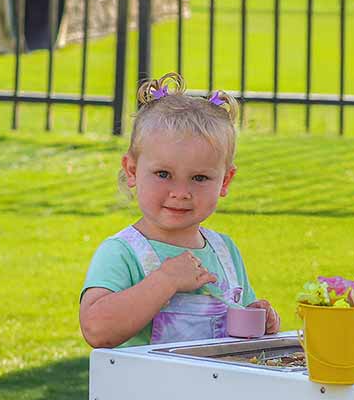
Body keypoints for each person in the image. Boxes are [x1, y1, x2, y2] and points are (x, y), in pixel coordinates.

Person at [79, 72, 280, 348]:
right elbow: (96, 329)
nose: (181, 192)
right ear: (132, 171)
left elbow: (238, 340)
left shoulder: (225, 251)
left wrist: (261, 318)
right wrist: (166, 280)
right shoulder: (123, 252)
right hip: (144, 391)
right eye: (163, 174)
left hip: (214, 390)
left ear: (225, 181)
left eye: (199, 178)